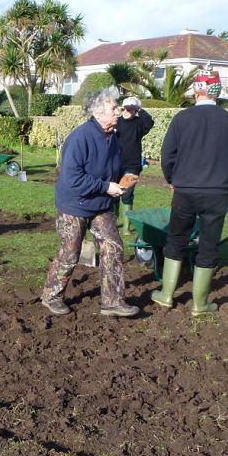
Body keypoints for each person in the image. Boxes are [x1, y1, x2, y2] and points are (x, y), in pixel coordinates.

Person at [151, 69, 228, 315]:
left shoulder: (181, 119)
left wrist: (172, 180)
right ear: (218, 91)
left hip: (185, 191)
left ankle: (166, 294)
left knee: (176, 239)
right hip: (217, 193)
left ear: (196, 90)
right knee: (208, 244)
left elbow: (167, 156)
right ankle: (200, 304)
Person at [40, 87, 138, 318]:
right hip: (74, 205)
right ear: (98, 112)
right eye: (114, 108)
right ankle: (51, 296)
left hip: (101, 205)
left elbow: (114, 167)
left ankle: (113, 301)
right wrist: (106, 186)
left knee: (113, 247)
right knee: (70, 252)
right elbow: (73, 178)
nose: (119, 111)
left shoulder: (113, 137)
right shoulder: (80, 138)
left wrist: (123, 181)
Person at [115, 96, 154, 234]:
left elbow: (149, 123)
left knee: (127, 194)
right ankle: (113, 224)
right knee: (113, 193)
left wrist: (140, 109)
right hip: (114, 164)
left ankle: (126, 227)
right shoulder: (116, 122)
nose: (126, 111)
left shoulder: (139, 123)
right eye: (124, 108)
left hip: (132, 165)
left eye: (130, 109)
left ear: (135, 110)